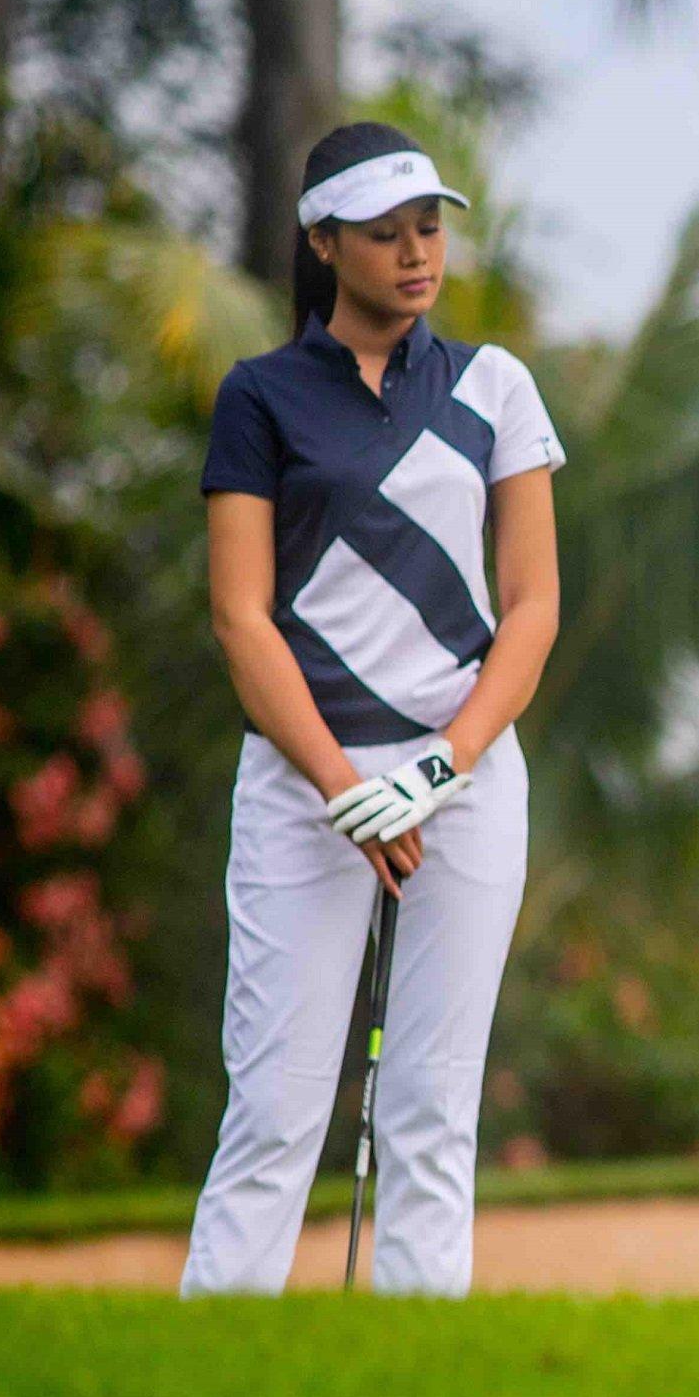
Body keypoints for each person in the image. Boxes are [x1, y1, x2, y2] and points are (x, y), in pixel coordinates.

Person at [177, 123, 563, 1296]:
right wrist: (351, 792)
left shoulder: (493, 387)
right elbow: (244, 619)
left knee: (433, 1110)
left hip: (465, 781)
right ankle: (210, 1371)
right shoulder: (261, 397)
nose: (414, 254)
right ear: (323, 242)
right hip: (307, 789)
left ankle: (414, 1375)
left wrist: (435, 774)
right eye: (386, 233)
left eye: (429, 229)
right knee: (278, 1108)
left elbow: (534, 606)